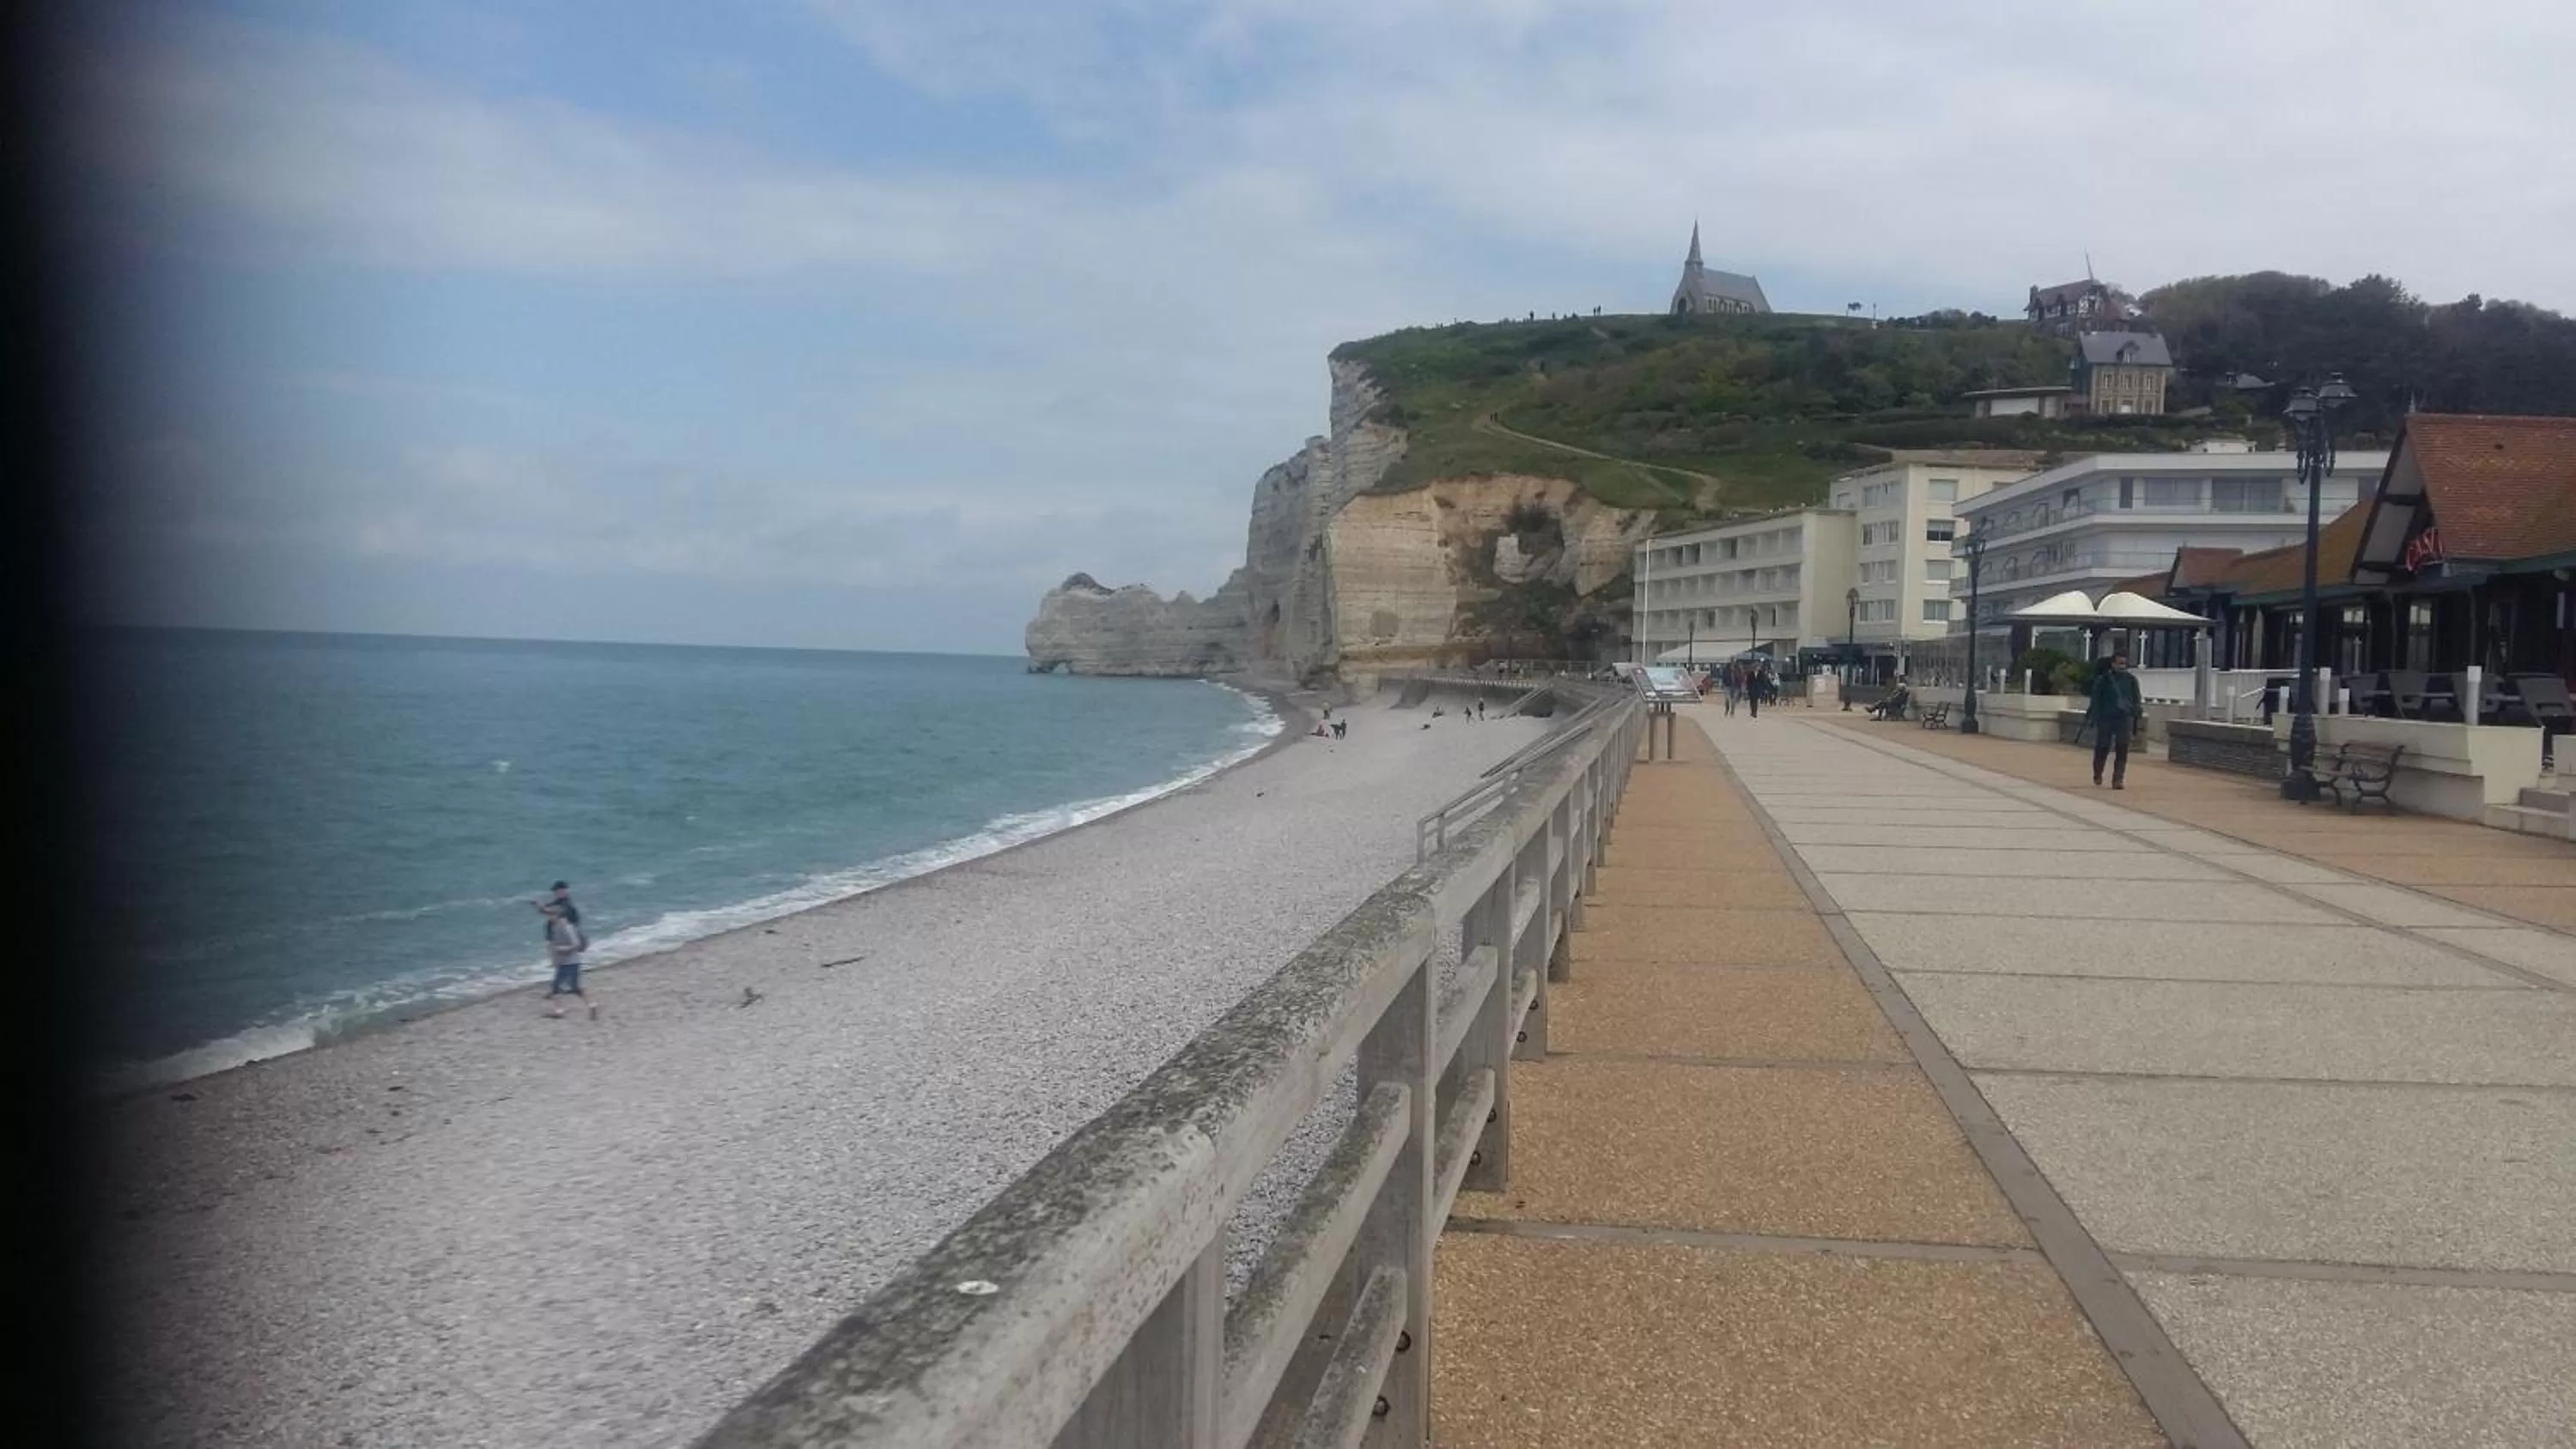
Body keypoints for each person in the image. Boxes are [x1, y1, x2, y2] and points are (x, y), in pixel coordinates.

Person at [537, 882, 597, 1019]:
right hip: (570, 958)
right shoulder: (559, 909)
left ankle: (559, 1011)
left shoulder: (566, 911)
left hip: (568, 958)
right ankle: (592, 1005)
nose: (549, 917)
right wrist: (539, 907)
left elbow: (574, 941)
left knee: (557, 986)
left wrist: (561, 948)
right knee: (573, 987)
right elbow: (548, 910)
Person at [2088, 652, 2143, 789]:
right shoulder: (2103, 680)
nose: (2122, 666)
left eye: (2124, 663)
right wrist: (2094, 718)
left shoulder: (2131, 680)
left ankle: (2118, 779)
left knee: (2122, 747)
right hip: (2106, 718)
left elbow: (2136, 699)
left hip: (2123, 719)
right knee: (2102, 747)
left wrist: (2136, 712)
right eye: (2119, 663)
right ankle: (2098, 772)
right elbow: (2096, 700)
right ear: (2113, 664)